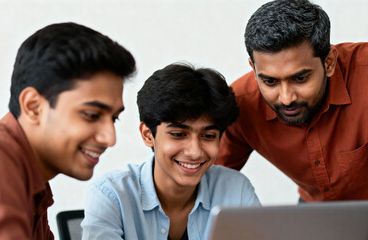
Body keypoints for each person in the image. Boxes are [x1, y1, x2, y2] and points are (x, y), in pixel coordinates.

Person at [214, 0, 368, 239]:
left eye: (300, 78)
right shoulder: (240, 104)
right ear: (253, 68)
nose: (286, 98)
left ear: (329, 62)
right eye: (270, 81)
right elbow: (205, 185)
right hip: (313, 219)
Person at [0, 22, 136, 239]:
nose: (110, 138)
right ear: (33, 106)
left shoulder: (34, 187)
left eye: (114, 118)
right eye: (92, 115)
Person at [81, 63, 260, 240]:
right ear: (148, 135)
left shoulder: (236, 190)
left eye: (208, 136)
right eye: (178, 134)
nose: (195, 152)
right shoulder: (111, 195)